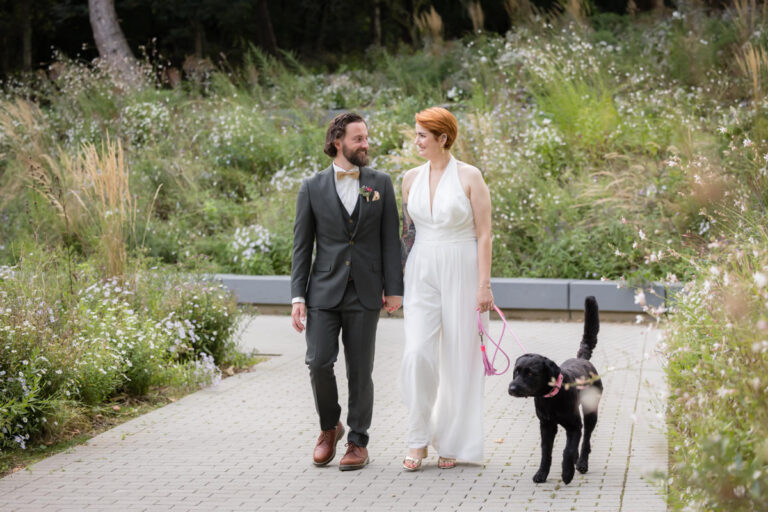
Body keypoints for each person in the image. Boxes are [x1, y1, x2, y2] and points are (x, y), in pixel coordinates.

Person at [291, 112, 403, 471]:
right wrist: (297, 297)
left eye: (367, 138)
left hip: (366, 290)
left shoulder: (381, 183)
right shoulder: (311, 187)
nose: (365, 144)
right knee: (318, 362)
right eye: (358, 139)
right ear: (338, 141)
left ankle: (357, 440)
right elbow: (301, 246)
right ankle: (329, 427)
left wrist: (395, 289)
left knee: (360, 369)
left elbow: (391, 240)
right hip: (323, 290)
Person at [400, 106, 494, 471]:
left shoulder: (470, 176)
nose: (417, 140)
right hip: (420, 269)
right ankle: (417, 438)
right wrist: (397, 283)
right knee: (417, 354)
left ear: (443, 138)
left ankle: (452, 441)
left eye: (423, 134)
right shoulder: (409, 178)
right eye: (417, 133)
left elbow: (484, 234)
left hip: (462, 267)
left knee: (459, 358)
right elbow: (405, 234)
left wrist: (483, 286)